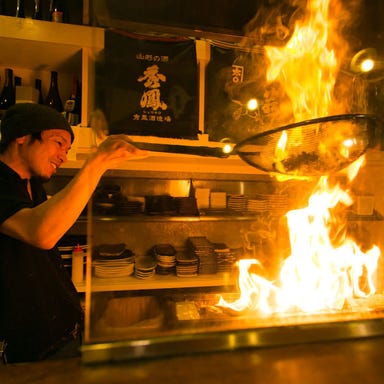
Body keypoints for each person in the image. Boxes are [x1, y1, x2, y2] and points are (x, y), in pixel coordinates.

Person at [0, 103, 145, 364]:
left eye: (67, 150)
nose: (63, 156)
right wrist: (98, 162)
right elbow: (41, 233)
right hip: (24, 348)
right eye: (58, 143)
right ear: (22, 135)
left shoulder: (31, 184)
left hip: (58, 332)